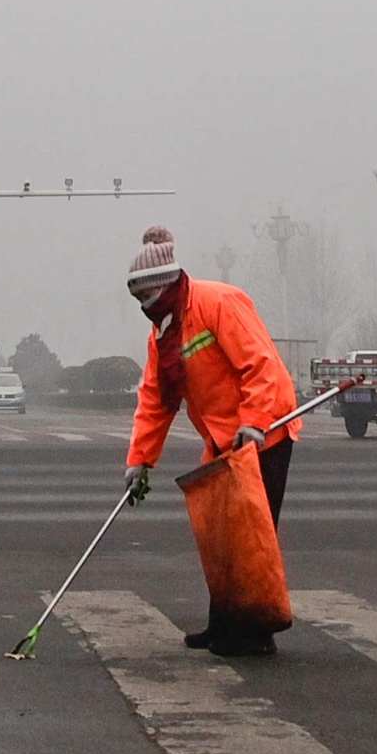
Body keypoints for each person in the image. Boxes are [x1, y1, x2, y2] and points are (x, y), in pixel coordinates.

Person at [115, 227, 300, 654]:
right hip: (221, 439)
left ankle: (257, 633)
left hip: (265, 433)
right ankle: (222, 625)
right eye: (139, 300)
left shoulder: (219, 302)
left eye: (148, 297)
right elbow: (156, 401)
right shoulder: (164, 333)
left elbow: (261, 365)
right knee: (219, 533)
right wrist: (140, 460)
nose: (145, 307)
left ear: (166, 285)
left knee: (250, 536)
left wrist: (253, 422)